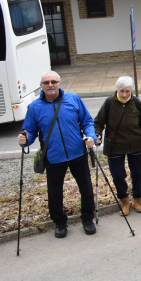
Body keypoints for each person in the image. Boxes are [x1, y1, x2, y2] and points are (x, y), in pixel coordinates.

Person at [18, 71, 98, 238]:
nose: (50, 85)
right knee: (55, 193)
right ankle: (60, 223)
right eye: (46, 82)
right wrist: (25, 138)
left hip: (77, 153)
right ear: (41, 86)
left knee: (86, 189)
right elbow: (30, 131)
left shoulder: (73, 99)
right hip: (53, 157)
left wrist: (90, 136)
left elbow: (87, 121)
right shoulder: (34, 107)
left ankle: (87, 219)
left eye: (53, 81)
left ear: (59, 84)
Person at [94, 76, 141, 215]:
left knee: (138, 174)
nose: (124, 94)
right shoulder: (109, 103)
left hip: (136, 144)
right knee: (118, 175)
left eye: (127, 91)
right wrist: (97, 134)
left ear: (131, 90)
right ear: (117, 90)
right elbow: (98, 122)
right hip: (115, 145)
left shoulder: (136, 102)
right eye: (121, 91)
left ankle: (137, 199)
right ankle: (124, 200)